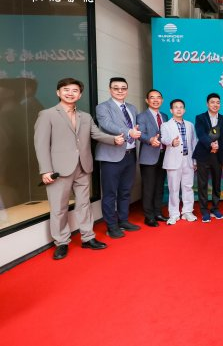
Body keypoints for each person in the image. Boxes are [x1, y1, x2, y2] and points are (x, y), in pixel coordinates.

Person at [34, 78, 124, 260]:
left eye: (75, 90)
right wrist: (45, 170)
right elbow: (41, 145)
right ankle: (61, 242)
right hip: (59, 170)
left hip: (83, 166)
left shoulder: (85, 116)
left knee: (84, 205)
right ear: (58, 92)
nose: (70, 93)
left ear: (80, 95)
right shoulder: (47, 114)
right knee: (59, 208)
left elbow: (96, 134)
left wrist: (113, 139)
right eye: (66, 90)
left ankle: (88, 237)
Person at [95, 77, 142, 239]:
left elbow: (136, 128)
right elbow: (107, 125)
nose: (120, 91)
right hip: (111, 156)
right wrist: (129, 131)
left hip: (130, 154)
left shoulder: (132, 108)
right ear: (110, 90)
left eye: (123, 88)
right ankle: (111, 226)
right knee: (110, 193)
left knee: (125, 191)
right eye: (116, 88)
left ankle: (123, 220)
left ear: (127, 90)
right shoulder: (102, 107)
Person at [160, 99, 198, 225]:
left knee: (188, 187)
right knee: (173, 189)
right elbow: (163, 139)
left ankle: (187, 211)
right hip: (173, 160)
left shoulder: (190, 125)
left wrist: (195, 161)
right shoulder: (165, 125)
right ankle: (174, 214)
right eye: (176, 107)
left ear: (184, 110)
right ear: (171, 110)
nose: (179, 109)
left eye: (181, 107)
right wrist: (171, 142)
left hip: (188, 160)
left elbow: (193, 142)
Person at [136, 89, 169, 227]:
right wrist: (150, 140)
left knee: (160, 186)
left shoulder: (165, 116)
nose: (156, 100)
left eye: (158, 97)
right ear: (147, 100)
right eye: (152, 97)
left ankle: (158, 213)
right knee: (149, 188)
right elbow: (140, 133)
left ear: (162, 100)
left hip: (163, 155)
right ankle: (148, 216)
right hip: (148, 156)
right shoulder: (142, 116)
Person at [194, 93, 223, 222]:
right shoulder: (200, 118)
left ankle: (215, 208)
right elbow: (201, 134)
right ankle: (204, 210)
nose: (215, 104)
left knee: (216, 183)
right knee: (202, 183)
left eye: (218, 102)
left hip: (217, 155)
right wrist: (210, 144)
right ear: (207, 104)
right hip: (203, 155)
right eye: (212, 102)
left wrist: (218, 146)